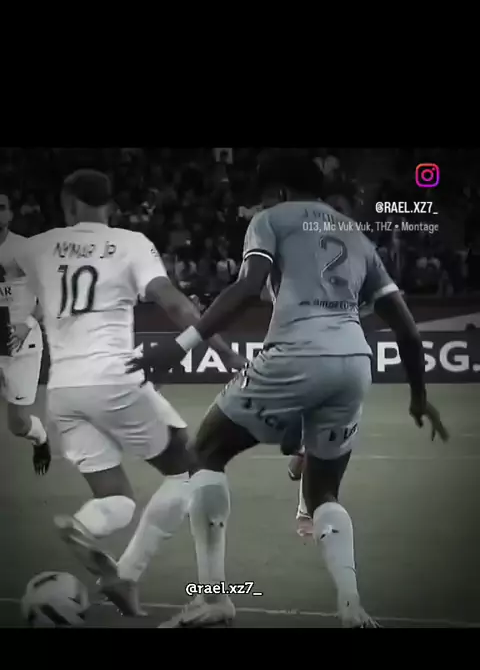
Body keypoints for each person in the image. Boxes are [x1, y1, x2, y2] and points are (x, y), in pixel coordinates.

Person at [127, 152, 449, 629]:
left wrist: (178, 347)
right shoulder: (355, 234)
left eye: (264, 195)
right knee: (324, 492)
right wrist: (419, 397)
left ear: (277, 191)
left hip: (295, 355)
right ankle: (351, 605)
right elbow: (407, 329)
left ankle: (215, 598)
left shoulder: (271, 219)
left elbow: (247, 288)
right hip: (353, 363)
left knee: (203, 454)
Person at [17, 170, 245, 616]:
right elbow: (174, 302)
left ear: (68, 203)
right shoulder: (130, 243)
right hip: (114, 376)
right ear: (110, 205)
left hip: (62, 389)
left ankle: (90, 533)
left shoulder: (37, 245)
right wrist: (224, 352)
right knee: (193, 472)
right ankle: (144, 574)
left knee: (115, 498)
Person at [0, 192, 51, 474]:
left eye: (1, 208)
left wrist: (27, 324)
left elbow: (49, 295)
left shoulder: (24, 250)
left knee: (17, 424)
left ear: (9, 214)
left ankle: (40, 438)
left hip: (21, 343)